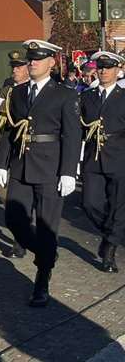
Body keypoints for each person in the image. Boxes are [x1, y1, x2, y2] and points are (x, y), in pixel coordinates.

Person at [0, 40, 80, 307]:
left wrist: (68, 171)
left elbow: (72, 134)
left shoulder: (64, 94)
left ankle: (42, 280)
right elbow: (11, 129)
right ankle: (45, 254)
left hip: (50, 167)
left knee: (46, 227)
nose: (31, 63)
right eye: (30, 59)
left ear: (51, 63)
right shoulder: (18, 93)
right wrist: (2, 163)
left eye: (38, 59)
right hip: (21, 165)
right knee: (14, 219)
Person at [79, 51, 125, 273]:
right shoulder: (87, 97)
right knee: (90, 203)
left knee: (118, 207)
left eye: (109, 67)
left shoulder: (123, 97)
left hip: (119, 157)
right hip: (93, 157)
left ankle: (109, 250)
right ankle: (110, 233)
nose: (104, 71)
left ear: (118, 70)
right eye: (101, 67)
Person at [0, 50, 30, 259]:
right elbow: (2, 124)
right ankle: (21, 235)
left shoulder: (35, 91)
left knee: (29, 201)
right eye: (13, 67)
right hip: (9, 147)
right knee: (4, 195)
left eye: (19, 66)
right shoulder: (7, 89)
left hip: (34, 152)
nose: (15, 70)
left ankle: (25, 241)